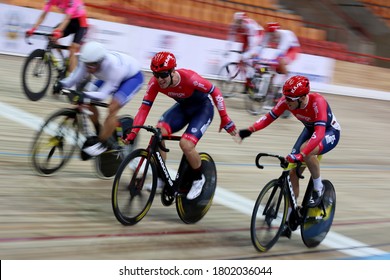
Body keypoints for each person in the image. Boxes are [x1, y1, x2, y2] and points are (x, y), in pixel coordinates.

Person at [238, 75, 341, 237]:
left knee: (306, 152)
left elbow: (319, 133)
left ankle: (318, 188)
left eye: (291, 98)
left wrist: (302, 155)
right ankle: (290, 218)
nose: (287, 101)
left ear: (302, 97)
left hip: (329, 132)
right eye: (286, 97)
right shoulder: (287, 100)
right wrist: (250, 130)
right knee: (292, 171)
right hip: (309, 129)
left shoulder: (318, 102)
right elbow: (269, 117)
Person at [125, 51, 237, 200]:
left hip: (202, 110)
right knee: (159, 133)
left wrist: (224, 117)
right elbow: (144, 108)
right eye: (155, 74)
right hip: (183, 109)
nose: (160, 79)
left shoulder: (190, 78)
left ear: (173, 71)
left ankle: (198, 179)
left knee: (186, 145)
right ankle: (160, 178)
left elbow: (215, 92)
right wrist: (133, 134)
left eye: (163, 74)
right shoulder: (154, 83)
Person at [54, 41, 144, 158]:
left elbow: (102, 95)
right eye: (87, 64)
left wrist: (84, 95)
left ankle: (102, 144)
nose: (88, 68)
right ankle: (98, 130)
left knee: (112, 107)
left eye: (92, 65)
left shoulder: (113, 67)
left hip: (131, 78)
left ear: (100, 61)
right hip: (106, 76)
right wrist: (61, 84)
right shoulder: (87, 61)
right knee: (85, 100)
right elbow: (73, 79)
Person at [26, 0, 88, 72]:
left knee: (72, 49)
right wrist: (33, 29)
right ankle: (63, 59)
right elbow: (43, 15)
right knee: (52, 37)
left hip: (80, 24)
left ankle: (72, 80)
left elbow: (67, 17)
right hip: (69, 22)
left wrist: (58, 31)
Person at [225, 12, 264, 92]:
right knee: (242, 60)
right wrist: (227, 49)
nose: (238, 24)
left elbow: (252, 44)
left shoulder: (249, 25)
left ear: (244, 20)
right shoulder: (234, 25)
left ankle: (262, 70)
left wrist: (248, 54)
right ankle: (247, 84)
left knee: (249, 57)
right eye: (237, 21)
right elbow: (231, 39)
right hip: (247, 37)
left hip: (257, 35)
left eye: (240, 22)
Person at [260, 22, 300, 90]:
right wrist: (257, 56)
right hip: (282, 50)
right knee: (269, 67)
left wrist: (273, 61)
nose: (272, 36)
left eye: (274, 33)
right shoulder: (268, 34)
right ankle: (268, 87)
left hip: (292, 50)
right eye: (270, 33)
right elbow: (261, 46)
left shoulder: (285, 35)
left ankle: (287, 78)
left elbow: (281, 51)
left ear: (277, 31)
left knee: (280, 62)